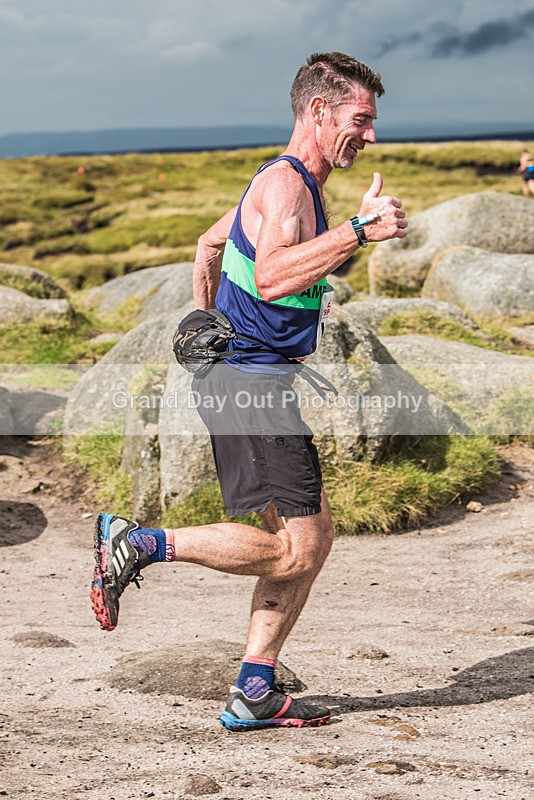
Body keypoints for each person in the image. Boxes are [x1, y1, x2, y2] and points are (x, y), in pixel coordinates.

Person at [90, 51, 408, 731]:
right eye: (362, 119)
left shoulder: (280, 183)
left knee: (304, 539)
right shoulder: (291, 188)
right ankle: (139, 542)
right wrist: (357, 231)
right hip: (256, 389)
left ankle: (255, 688)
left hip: (241, 381)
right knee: (299, 547)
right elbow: (271, 278)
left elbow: (210, 246)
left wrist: (208, 327)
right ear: (318, 111)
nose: (372, 135)